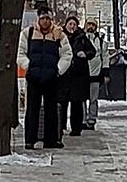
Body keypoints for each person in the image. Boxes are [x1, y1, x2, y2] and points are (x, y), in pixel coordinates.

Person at [20, 11, 67, 150]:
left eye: (48, 18)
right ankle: (30, 140)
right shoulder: (28, 33)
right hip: (34, 78)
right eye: (42, 18)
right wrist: (28, 66)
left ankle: (50, 140)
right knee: (32, 110)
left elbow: (66, 54)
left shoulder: (58, 35)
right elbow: (20, 52)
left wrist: (58, 70)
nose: (45, 21)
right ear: (38, 19)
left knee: (51, 111)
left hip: (51, 79)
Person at [62, 16, 99, 136]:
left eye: (74, 24)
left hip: (78, 75)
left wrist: (85, 54)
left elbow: (92, 51)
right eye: (70, 24)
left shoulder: (81, 38)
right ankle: (61, 126)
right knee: (62, 102)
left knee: (76, 102)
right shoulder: (61, 36)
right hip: (64, 73)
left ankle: (76, 128)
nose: (72, 27)